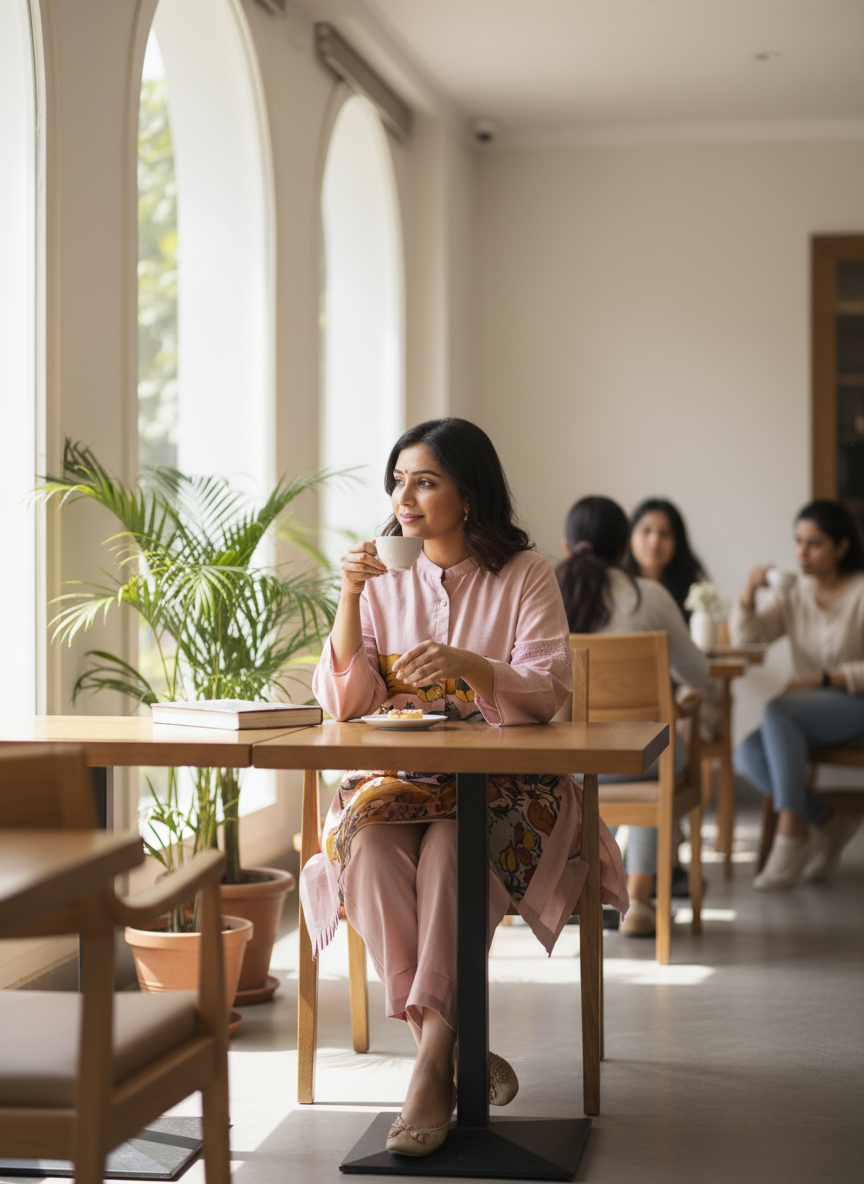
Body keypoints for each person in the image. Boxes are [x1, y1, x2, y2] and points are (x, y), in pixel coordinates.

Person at [300, 419, 627, 1158]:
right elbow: (343, 704)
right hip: (397, 782)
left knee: (454, 848)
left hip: (506, 785)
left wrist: (472, 667)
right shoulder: (381, 576)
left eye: (424, 480)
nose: (403, 496)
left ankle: (425, 1074)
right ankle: (446, 1050)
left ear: (469, 496)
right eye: (398, 480)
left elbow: (547, 697)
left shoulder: (526, 574)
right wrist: (349, 596)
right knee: (374, 853)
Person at [557, 495, 709, 937]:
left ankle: (555, 889)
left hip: (564, 763)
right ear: (624, 549)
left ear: (568, 546)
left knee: (643, 755)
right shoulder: (650, 596)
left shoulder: (543, 590)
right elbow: (697, 671)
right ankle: (639, 901)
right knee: (655, 752)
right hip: (638, 760)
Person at [732, 499, 864, 890]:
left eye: (814, 543)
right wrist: (748, 594)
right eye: (798, 541)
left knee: (779, 710)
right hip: (808, 712)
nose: (802, 553)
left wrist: (824, 679)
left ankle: (791, 833)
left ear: (841, 547)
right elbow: (746, 641)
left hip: (857, 703)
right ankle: (827, 819)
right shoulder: (794, 594)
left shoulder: (860, 592)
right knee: (747, 754)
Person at [625, 497, 707, 621]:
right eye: (646, 531)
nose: (655, 541)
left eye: (664, 533)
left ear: (678, 541)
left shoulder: (694, 588)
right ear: (630, 536)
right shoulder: (617, 586)